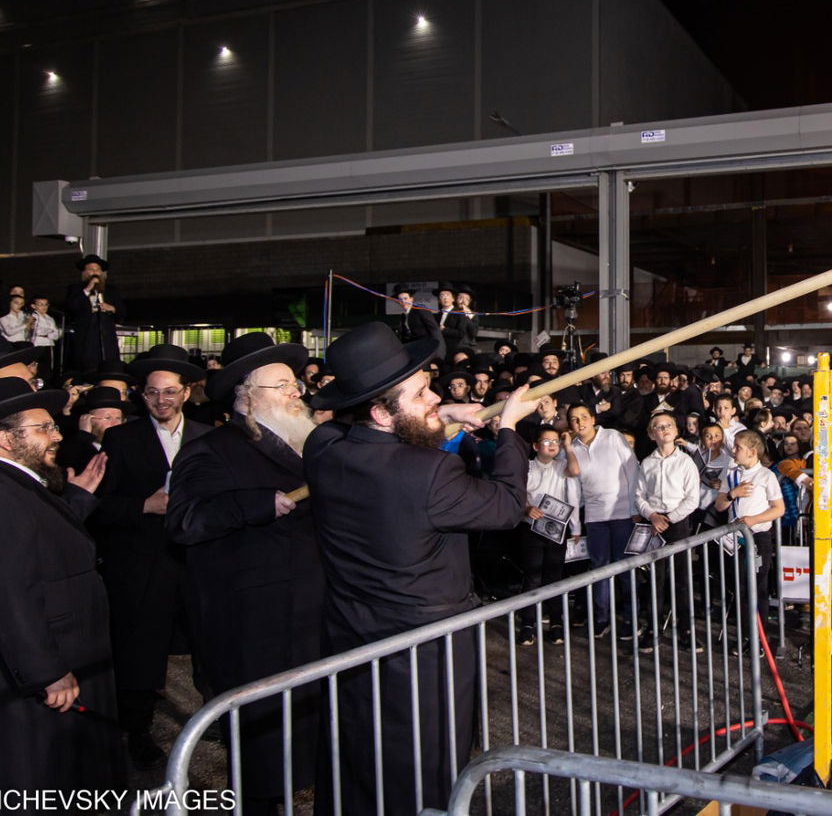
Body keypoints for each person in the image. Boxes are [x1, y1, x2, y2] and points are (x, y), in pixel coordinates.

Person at [303, 321, 537, 813]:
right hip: (424, 649)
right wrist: (511, 428)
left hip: (352, 635)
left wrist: (442, 412)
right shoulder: (429, 472)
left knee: (357, 756)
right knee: (425, 764)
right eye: (421, 393)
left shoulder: (322, 450)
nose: (432, 396)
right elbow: (506, 504)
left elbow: (337, 428)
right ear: (379, 412)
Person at [167, 333, 325, 812]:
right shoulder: (212, 449)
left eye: (294, 382)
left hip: (313, 618)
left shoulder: (309, 443)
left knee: (313, 743)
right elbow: (185, 521)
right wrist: (256, 505)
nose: (296, 391)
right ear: (248, 396)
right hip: (256, 630)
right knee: (263, 753)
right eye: (282, 385)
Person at [0, 377, 121, 793]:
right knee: (30, 773)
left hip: (58, 651)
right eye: (43, 428)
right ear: (7, 439)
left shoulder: (13, 483)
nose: (57, 435)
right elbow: (6, 593)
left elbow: (39, 544)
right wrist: (46, 671)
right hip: (26, 671)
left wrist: (76, 502)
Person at [92, 343, 207, 767]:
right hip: (141, 565)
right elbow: (97, 507)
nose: (161, 400)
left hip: (195, 563)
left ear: (186, 392)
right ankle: (136, 731)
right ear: (142, 396)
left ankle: (216, 713)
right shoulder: (120, 439)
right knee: (141, 652)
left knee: (206, 643)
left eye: (170, 392)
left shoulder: (206, 437)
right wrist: (144, 505)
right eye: (152, 393)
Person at [566, 401, 639, 638]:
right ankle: (601, 618)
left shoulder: (613, 437)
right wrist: (576, 524)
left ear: (593, 419)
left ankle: (631, 618)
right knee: (599, 570)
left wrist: (634, 509)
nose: (580, 422)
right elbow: (573, 490)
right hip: (595, 519)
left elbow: (632, 471)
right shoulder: (571, 448)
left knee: (626, 569)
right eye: (574, 419)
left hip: (622, 515)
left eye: (583, 417)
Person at [635, 412, 702, 650]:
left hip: (678, 523)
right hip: (654, 526)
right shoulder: (647, 462)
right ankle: (652, 628)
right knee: (654, 580)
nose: (663, 430)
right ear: (651, 434)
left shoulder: (686, 462)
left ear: (676, 430)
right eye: (658, 427)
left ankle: (685, 629)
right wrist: (652, 516)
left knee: (681, 579)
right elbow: (639, 495)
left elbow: (692, 499)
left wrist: (669, 518)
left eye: (668, 426)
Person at [713, 428, 785, 641]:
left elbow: (778, 508)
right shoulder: (732, 475)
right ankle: (745, 634)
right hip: (734, 539)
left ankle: (757, 638)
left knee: (757, 587)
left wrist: (753, 520)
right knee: (740, 586)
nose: (734, 450)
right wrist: (732, 494)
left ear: (753, 452)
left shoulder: (766, 475)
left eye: (738, 447)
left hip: (758, 538)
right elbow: (719, 506)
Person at [517, 425, 581, 645]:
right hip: (531, 527)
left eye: (555, 441)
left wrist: (568, 447)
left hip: (556, 529)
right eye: (546, 441)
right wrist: (526, 508)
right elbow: (517, 494)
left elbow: (574, 471)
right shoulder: (526, 467)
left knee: (554, 575)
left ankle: (556, 621)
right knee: (532, 575)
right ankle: (528, 622)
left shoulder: (561, 465)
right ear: (535, 446)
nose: (552, 444)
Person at [64, 254, 125, 371]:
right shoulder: (76, 289)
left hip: (106, 335)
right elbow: (71, 307)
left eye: (97, 269)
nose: (95, 272)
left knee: (108, 364)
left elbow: (122, 312)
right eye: (91, 269)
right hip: (86, 336)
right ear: (85, 272)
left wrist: (111, 308)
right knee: (87, 366)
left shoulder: (111, 290)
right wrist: (87, 289)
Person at [56, 385, 131, 475]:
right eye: (107, 418)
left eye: (118, 418)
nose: (115, 423)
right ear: (88, 419)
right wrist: (83, 435)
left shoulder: (129, 448)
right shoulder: (75, 447)